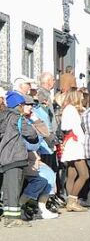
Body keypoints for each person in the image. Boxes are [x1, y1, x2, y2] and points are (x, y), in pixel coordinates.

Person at [0, 92, 42, 226]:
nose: (24, 107)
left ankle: (7, 216)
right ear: (19, 105)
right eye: (23, 104)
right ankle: (14, 219)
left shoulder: (3, 117)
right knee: (14, 189)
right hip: (15, 156)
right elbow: (31, 134)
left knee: (7, 188)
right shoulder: (17, 118)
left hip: (4, 157)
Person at [59, 90, 89, 212]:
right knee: (84, 174)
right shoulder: (71, 110)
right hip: (75, 143)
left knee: (72, 174)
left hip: (71, 142)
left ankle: (70, 200)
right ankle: (72, 200)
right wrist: (84, 141)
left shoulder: (67, 109)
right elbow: (76, 128)